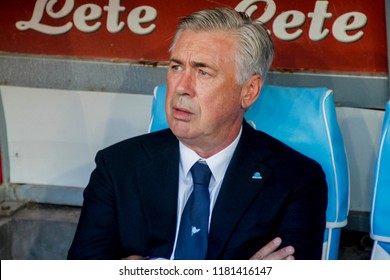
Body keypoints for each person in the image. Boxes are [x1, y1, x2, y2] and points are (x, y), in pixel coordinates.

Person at [68, 7, 327, 260]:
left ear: (248, 90)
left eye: (203, 72)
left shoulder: (296, 180)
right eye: (176, 67)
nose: (181, 86)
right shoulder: (117, 165)